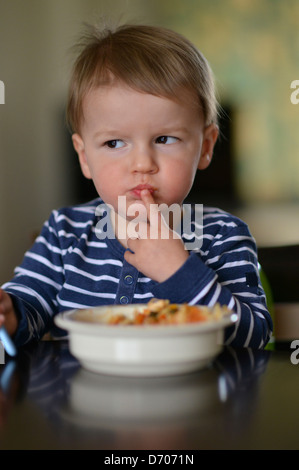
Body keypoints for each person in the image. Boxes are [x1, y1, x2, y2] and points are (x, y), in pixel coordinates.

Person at [0, 24, 272, 348]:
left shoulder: (223, 235)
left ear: (206, 146)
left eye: (164, 139)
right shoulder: (64, 233)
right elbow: (27, 313)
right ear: (84, 157)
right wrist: (11, 314)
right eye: (115, 143)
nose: (142, 163)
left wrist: (180, 272)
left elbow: (253, 339)